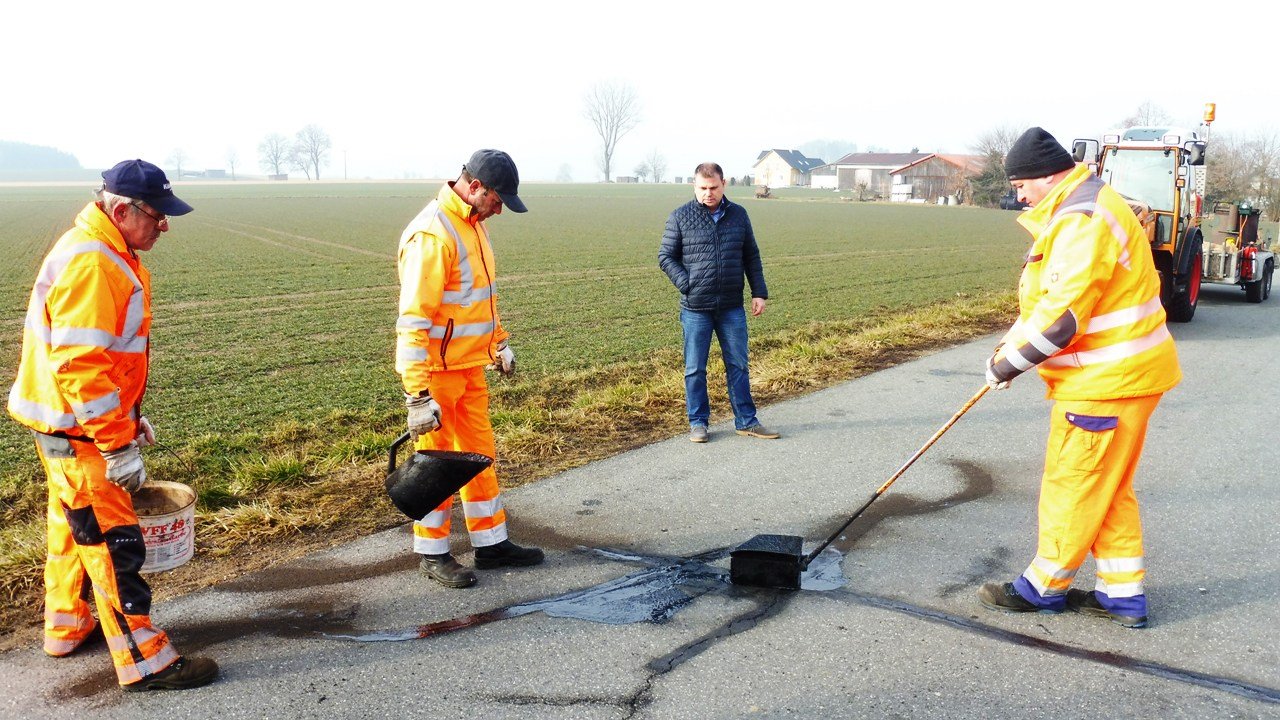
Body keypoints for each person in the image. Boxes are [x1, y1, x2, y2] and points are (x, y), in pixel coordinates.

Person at [7, 160, 218, 690]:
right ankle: (145, 659)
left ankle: (68, 626)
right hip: (79, 434)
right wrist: (116, 443)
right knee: (110, 543)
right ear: (121, 210)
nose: (164, 225)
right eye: (157, 215)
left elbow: (103, 359)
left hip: (65, 428)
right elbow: (81, 363)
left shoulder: (107, 250)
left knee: (73, 529)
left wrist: (128, 419)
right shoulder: (94, 263)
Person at [977, 128, 1182, 629]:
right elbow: (1045, 302)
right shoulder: (1082, 207)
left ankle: (1043, 587)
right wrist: (1007, 347)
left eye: (1022, 184)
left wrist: (1009, 365)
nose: (1018, 194)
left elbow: (1064, 319)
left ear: (1048, 176)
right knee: (1107, 488)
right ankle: (1121, 594)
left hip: (1106, 383)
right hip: (1124, 378)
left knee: (1073, 483)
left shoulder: (1082, 219)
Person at [395, 149, 545, 589]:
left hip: (470, 367)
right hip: (437, 374)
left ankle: (491, 543)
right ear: (476, 187)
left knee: (480, 456)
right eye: (498, 200)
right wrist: (417, 395)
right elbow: (414, 321)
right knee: (436, 467)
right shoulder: (433, 233)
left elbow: (481, 300)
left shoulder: (472, 226)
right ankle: (432, 552)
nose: (501, 209)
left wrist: (498, 344)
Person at [659, 162, 779, 444]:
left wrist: (758, 293)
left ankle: (746, 421)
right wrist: (688, 284)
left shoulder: (738, 215)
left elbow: (751, 256)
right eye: (702, 188)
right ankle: (698, 423)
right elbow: (665, 257)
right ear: (695, 186)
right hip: (695, 308)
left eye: (713, 188)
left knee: (738, 364)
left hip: (731, 307)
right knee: (695, 368)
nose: (708, 193)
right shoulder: (680, 217)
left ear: (724, 184)